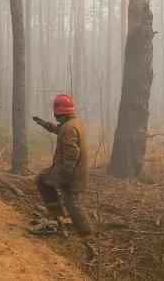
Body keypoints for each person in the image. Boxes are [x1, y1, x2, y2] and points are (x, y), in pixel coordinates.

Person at [31, 94, 92, 237]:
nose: (55, 118)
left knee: (72, 202)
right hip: (73, 172)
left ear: (59, 113)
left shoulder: (69, 128)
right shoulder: (73, 123)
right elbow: (60, 130)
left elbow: (71, 154)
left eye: (56, 115)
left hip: (70, 173)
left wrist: (65, 176)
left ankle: (86, 233)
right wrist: (45, 124)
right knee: (44, 181)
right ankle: (59, 218)